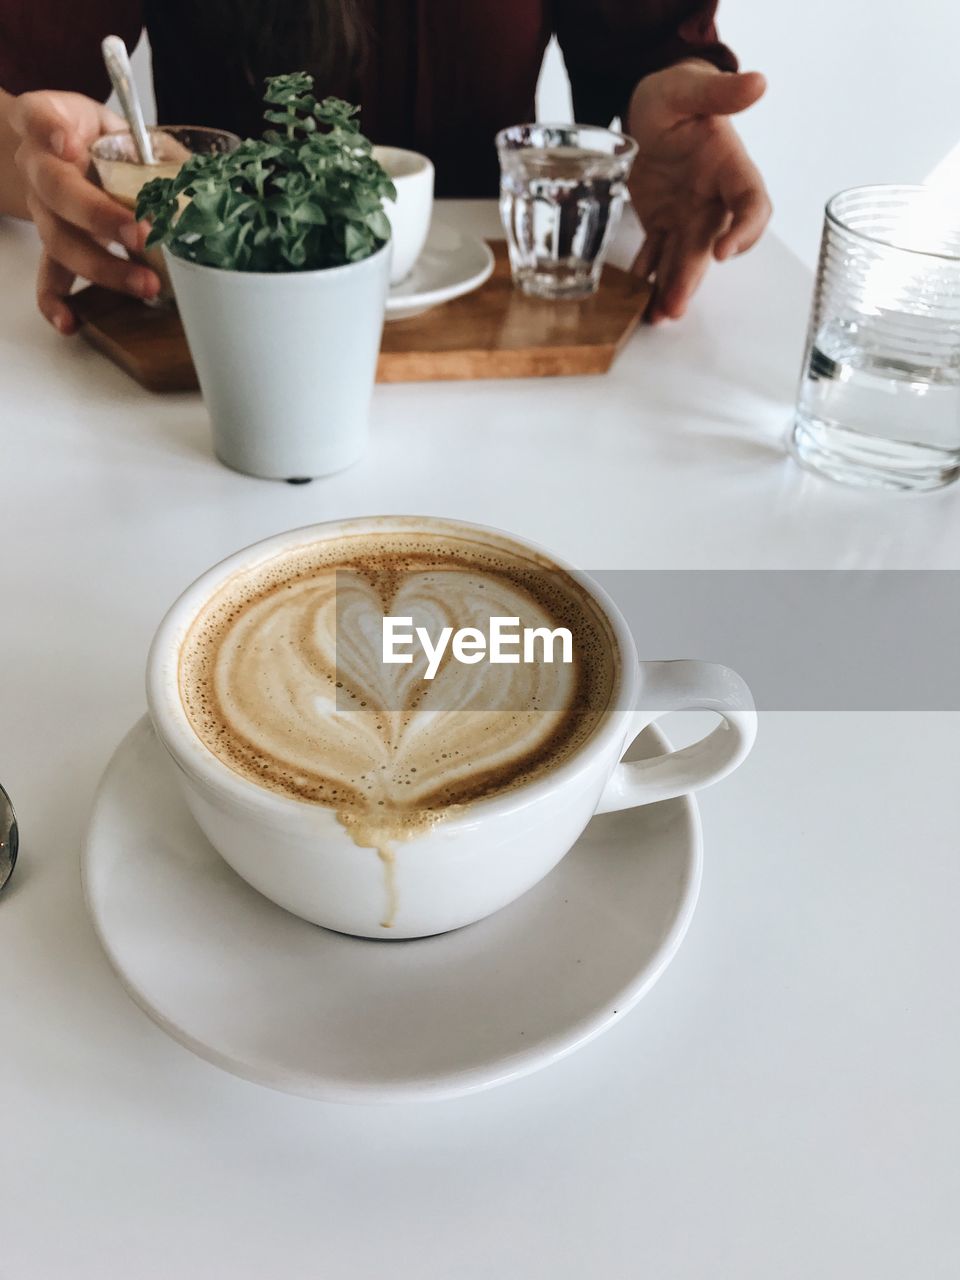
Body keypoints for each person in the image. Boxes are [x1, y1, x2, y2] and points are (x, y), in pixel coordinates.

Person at [0, 0, 770, 334]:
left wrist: (666, 106)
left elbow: (641, 41)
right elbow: (19, 91)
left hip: (496, 331)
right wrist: (41, 156)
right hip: (206, 331)